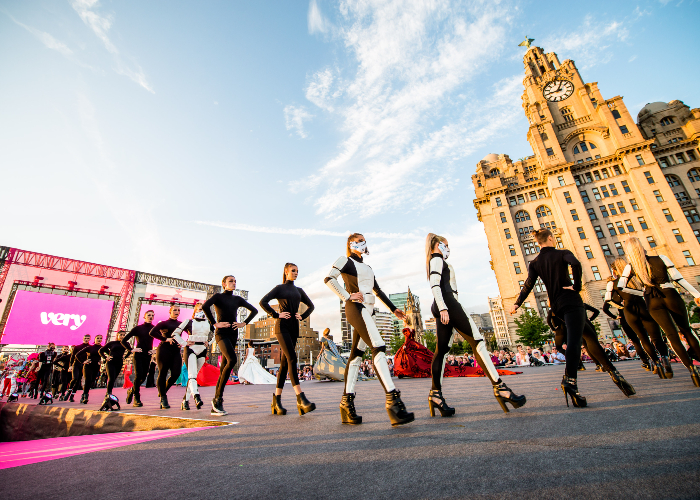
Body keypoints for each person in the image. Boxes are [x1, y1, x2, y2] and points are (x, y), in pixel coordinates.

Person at [426, 233, 525, 416]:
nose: (448, 248)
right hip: (448, 303)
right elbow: (434, 285)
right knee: (478, 342)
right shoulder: (437, 259)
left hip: (445, 303)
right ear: (438, 244)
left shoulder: (437, 260)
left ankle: (436, 395)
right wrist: (443, 308)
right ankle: (500, 388)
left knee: (443, 350)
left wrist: (441, 307)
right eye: (446, 245)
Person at [325, 233, 413, 426]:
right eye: (358, 240)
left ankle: (346, 404)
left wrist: (393, 309)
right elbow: (329, 279)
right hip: (356, 308)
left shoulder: (368, 267)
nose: (362, 244)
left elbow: (377, 290)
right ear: (350, 244)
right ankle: (393, 401)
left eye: (364, 240)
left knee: (356, 356)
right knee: (379, 347)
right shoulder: (345, 260)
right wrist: (347, 296)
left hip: (369, 310)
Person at [512, 228, 587, 407]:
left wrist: (517, 303)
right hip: (570, 300)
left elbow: (528, 284)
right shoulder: (562, 253)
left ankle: (571, 381)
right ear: (551, 239)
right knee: (575, 341)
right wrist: (577, 286)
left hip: (556, 306)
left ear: (539, 243)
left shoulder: (535, 262)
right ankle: (570, 381)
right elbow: (576, 264)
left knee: (577, 335)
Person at [621, 236, 700, 386]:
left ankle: (692, 370)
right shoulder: (661, 258)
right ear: (641, 246)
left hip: (652, 299)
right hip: (669, 293)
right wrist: (697, 294)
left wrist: (643, 292)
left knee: (671, 335)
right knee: (686, 330)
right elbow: (678, 278)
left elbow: (621, 285)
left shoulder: (631, 266)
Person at [260, 263, 316, 416]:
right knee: (292, 358)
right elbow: (263, 302)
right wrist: (276, 314)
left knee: (285, 364)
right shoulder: (280, 288)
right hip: (282, 327)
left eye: (297, 271)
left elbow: (311, 306)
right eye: (293, 271)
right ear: (286, 272)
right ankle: (300, 398)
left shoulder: (299, 291)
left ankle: (276, 401)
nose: (296, 273)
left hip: (294, 328)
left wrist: (302, 316)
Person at [203, 275, 258, 416]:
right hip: (221, 333)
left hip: (234, 334)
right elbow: (205, 307)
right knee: (232, 360)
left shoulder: (237, 299)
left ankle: (217, 400)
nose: (233, 283)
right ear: (224, 284)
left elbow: (255, 310)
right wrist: (214, 323)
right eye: (231, 281)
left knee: (224, 368)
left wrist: (243, 323)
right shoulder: (218, 297)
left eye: (235, 281)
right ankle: (217, 400)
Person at [168, 303, 213, 411]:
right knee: (192, 375)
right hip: (191, 349)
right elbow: (175, 333)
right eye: (200, 309)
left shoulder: (209, 323)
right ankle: (196, 396)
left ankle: (185, 401)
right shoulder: (189, 321)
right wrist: (184, 343)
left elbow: (217, 333)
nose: (202, 311)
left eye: (204, 309)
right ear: (195, 310)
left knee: (192, 377)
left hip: (202, 349)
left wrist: (210, 342)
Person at [150, 305, 191, 409]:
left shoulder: (181, 324)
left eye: (178, 310)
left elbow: (190, 333)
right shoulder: (163, 323)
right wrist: (165, 339)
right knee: (163, 372)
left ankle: (162, 392)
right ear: (170, 311)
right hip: (164, 350)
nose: (177, 312)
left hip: (176, 351)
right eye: (174, 310)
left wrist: (183, 342)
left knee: (176, 373)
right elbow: (152, 332)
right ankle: (163, 398)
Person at [121, 309, 156, 407]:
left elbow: (162, 339)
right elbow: (124, 340)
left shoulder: (154, 329)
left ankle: (132, 390)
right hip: (138, 355)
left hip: (148, 355)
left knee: (143, 377)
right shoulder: (138, 328)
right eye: (148, 315)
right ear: (144, 317)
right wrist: (131, 349)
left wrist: (155, 351)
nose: (150, 317)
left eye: (152, 315)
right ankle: (137, 398)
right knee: (138, 376)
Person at [98, 331, 127, 411]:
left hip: (119, 363)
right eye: (120, 335)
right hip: (111, 362)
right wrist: (105, 357)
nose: (122, 336)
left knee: (113, 379)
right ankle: (108, 395)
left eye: (124, 335)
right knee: (111, 379)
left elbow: (130, 350)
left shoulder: (126, 343)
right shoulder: (112, 343)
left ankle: (109, 397)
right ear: (117, 335)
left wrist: (125, 357)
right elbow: (101, 350)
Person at [74, 334, 104, 404]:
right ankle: (85, 396)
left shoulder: (102, 348)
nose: (99, 339)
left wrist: (103, 361)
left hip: (96, 366)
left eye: (100, 338)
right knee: (88, 380)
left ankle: (83, 394)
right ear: (94, 339)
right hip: (88, 366)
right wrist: (83, 361)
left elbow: (108, 355)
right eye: (98, 338)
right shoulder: (90, 348)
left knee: (92, 382)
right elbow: (77, 355)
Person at [64, 334, 91, 402]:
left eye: (88, 338)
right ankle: (69, 391)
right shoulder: (77, 347)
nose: (86, 339)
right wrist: (70, 366)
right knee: (75, 378)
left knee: (78, 381)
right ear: (83, 338)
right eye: (85, 338)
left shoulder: (90, 347)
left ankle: (72, 396)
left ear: (89, 339)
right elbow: (72, 356)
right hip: (76, 364)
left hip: (84, 365)